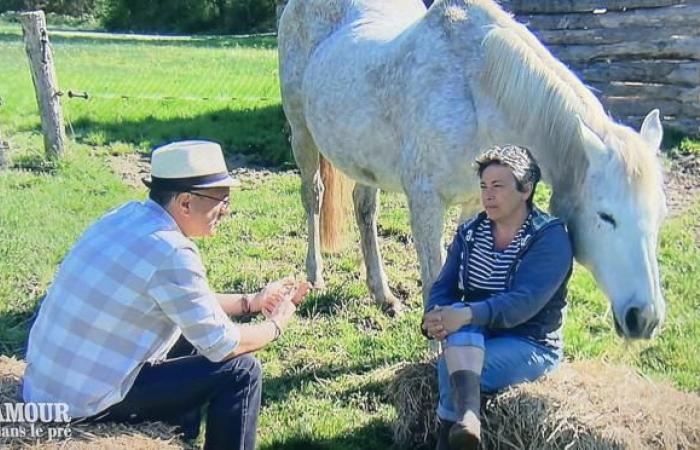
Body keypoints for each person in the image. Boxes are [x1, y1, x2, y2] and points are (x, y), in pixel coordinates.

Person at [23, 140, 311, 450]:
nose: (226, 210)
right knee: (240, 373)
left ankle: (181, 432)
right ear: (186, 202)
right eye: (221, 199)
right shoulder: (172, 250)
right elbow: (222, 345)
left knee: (187, 334)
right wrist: (276, 325)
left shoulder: (127, 216)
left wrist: (251, 302)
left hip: (47, 388)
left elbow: (186, 302)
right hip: (81, 405)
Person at [421, 145, 573, 450]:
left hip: (529, 341)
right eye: (483, 187)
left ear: (525, 190)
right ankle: (466, 426)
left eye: (498, 186)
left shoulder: (550, 238)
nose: (487, 195)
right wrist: (434, 316)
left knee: (452, 366)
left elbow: (523, 303)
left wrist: (466, 315)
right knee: (460, 345)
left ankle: (453, 434)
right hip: (477, 333)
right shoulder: (470, 233)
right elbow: (444, 286)